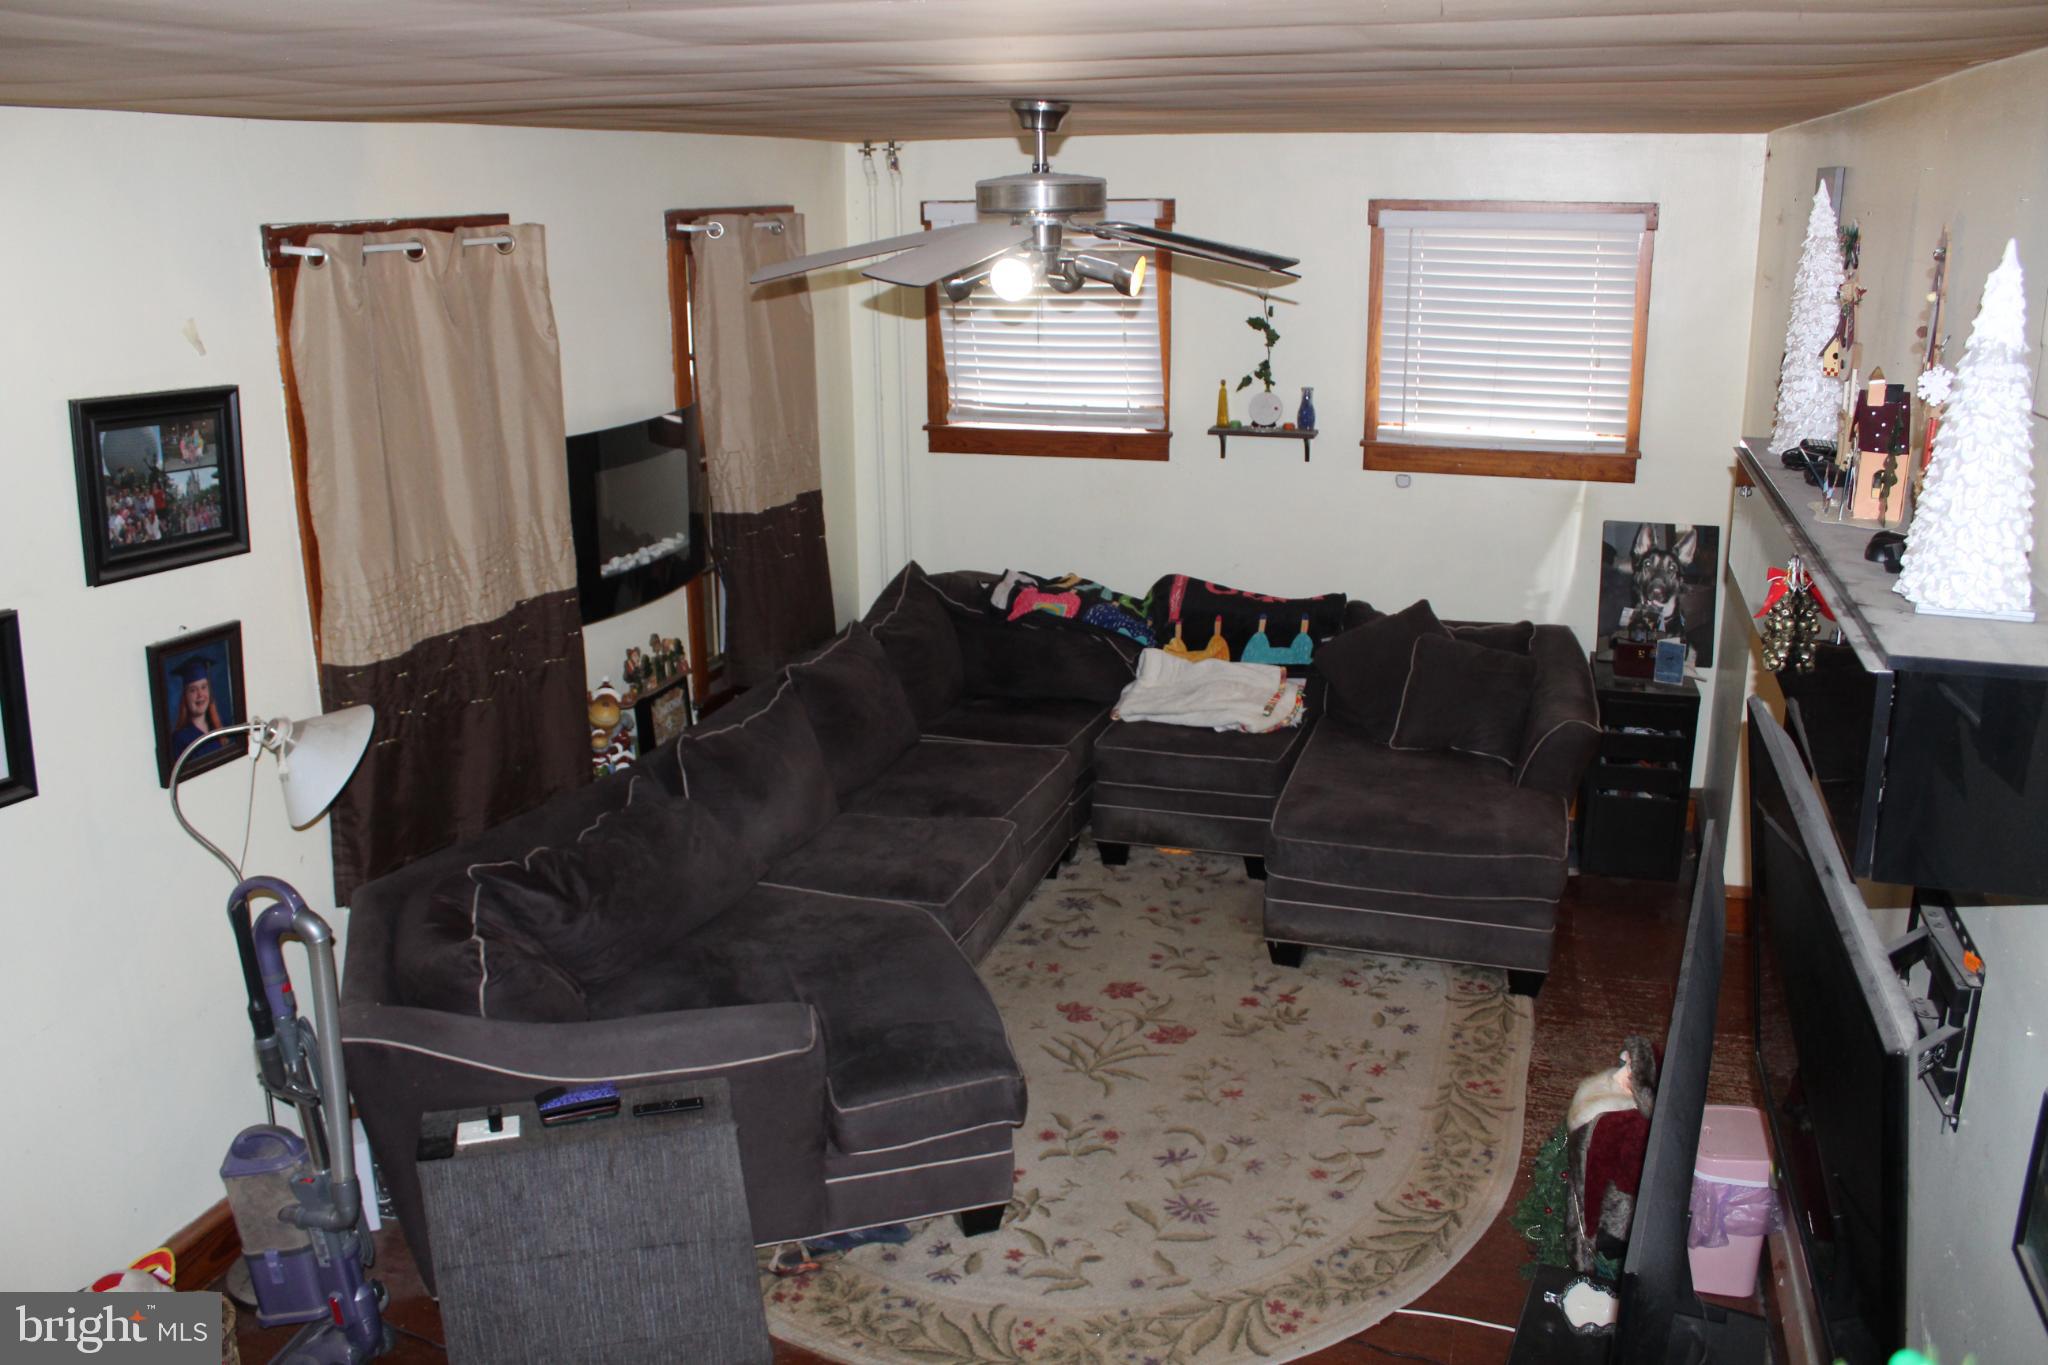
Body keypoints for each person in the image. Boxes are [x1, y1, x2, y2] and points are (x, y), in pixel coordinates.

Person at [167, 655, 227, 763]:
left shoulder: (218, 729)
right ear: (185, 697)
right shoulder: (179, 739)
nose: (200, 695)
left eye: (204, 687)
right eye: (193, 690)